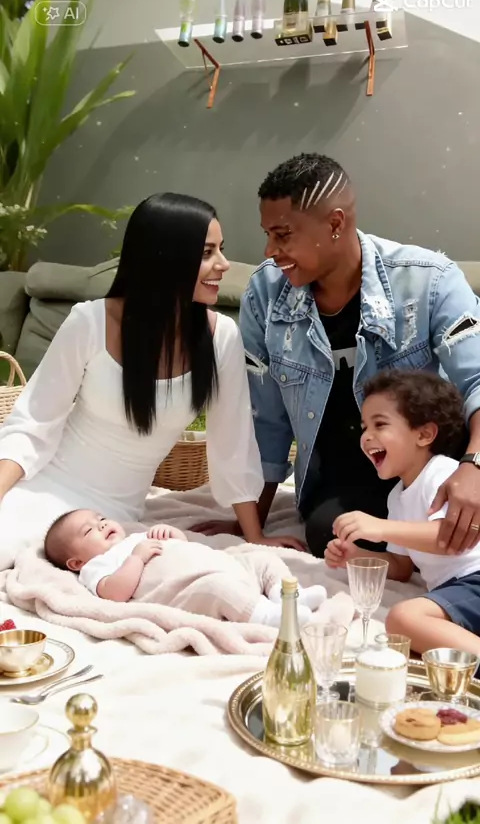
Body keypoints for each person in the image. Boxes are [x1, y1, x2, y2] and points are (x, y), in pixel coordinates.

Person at [193, 153, 480, 557]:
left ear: (335, 224)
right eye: (268, 234)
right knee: (331, 534)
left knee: (457, 516)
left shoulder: (429, 281)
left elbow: (477, 381)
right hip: (344, 480)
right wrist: (251, 524)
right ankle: (414, 549)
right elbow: (266, 417)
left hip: (431, 469)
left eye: (283, 235)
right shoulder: (265, 293)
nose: (270, 250)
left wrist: (474, 468)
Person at [0, 192, 303, 564]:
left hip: (112, 516)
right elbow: (32, 423)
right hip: (44, 486)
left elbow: (234, 443)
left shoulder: (221, 336)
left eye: (220, 250)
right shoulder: (90, 322)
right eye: (207, 253)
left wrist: (254, 536)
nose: (224, 265)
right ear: (165, 258)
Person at [325, 370, 480, 657]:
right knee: (408, 623)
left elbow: (449, 538)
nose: (366, 437)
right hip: (458, 592)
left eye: (380, 424)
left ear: (424, 434)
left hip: (475, 578)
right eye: (364, 427)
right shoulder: (396, 497)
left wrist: (380, 527)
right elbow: (401, 565)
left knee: (402, 619)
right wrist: (355, 555)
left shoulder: (443, 474)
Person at [43, 509, 330, 626]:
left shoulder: (134, 537)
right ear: (76, 562)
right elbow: (114, 593)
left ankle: (287, 594)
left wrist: (173, 536)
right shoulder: (97, 566)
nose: (101, 525)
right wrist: (136, 559)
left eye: (100, 518)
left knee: (261, 558)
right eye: (88, 530)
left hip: (221, 563)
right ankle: (266, 616)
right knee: (218, 590)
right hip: (192, 586)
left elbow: (183, 548)